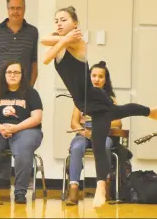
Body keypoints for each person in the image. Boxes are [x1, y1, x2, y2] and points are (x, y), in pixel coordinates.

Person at [41, 6, 157, 207]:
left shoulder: (77, 40)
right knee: (120, 110)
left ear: (75, 24)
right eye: (56, 20)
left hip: (95, 100)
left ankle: (101, 187)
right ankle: (151, 111)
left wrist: (64, 39)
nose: (59, 23)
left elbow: (46, 57)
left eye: (64, 20)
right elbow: (43, 42)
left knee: (101, 143)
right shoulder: (64, 41)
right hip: (84, 102)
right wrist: (63, 39)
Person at [0, 0, 39, 189]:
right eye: (12, 8)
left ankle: (17, 186)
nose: (15, 11)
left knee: (19, 135)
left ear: (24, 9)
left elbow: (34, 62)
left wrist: (28, 88)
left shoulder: (32, 32)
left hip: (22, 94)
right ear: (7, 9)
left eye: (19, 8)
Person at [0, 62, 43, 204]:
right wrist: (0, 127)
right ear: (4, 74)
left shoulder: (31, 93)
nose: (12, 75)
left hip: (25, 129)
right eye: (9, 72)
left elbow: (36, 118)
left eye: (16, 72)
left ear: (22, 75)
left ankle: (20, 193)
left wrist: (16, 128)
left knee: (23, 150)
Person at [66, 61, 122, 205]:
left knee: (104, 146)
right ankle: (73, 189)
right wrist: (85, 132)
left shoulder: (110, 99)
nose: (96, 79)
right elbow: (74, 122)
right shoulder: (81, 98)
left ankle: (104, 187)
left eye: (100, 77)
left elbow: (118, 123)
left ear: (105, 80)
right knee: (77, 147)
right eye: (94, 76)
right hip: (84, 134)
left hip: (103, 134)